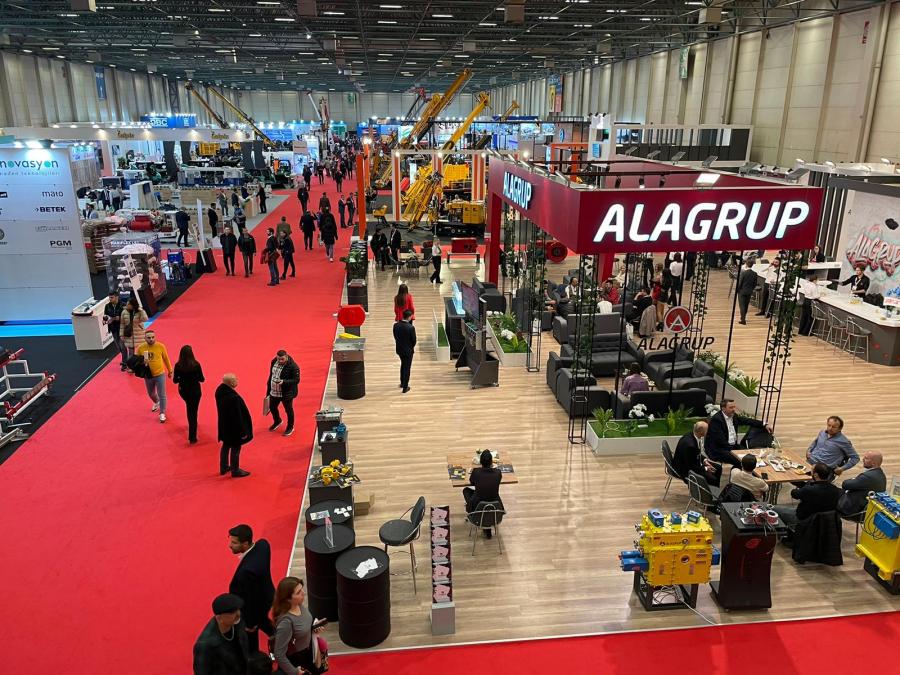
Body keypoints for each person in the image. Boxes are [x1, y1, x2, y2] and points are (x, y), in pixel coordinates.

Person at [228, 524, 275, 652]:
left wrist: (249, 623)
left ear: (245, 544)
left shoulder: (246, 573)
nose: (230, 545)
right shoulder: (263, 545)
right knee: (263, 621)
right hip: (267, 595)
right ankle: (277, 636)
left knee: (252, 632)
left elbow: (250, 600)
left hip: (255, 606)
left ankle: (254, 656)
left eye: (234, 543)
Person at [270, 577, 324, 675]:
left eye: (302, 589)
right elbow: (279, 654)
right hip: (298, 659)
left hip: (309, 650)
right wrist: (294, 672)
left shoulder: (298, 604)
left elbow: (303, 624)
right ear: (288, 599)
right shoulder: (286, 622)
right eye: (298, 592)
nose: (304, 593)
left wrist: (314, 627)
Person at [706, 399, 773, 469]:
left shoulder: (733, 416)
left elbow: (747, 421)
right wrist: (736, 452)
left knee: (751, 456)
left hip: (733, 446)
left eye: (734, 407)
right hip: (719, 449)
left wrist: (764, 424)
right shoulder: (716, 420)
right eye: (731, 407)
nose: (733, 409)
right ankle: (738, 474)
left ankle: (744, 473)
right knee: (742, 460)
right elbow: (720, 441)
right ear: (723, 409)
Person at [192, 593, 248, 675]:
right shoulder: (205, 645)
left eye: (238, 609)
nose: (238, 614)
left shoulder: (237, 623)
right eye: (232, 612)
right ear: (219, 618)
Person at [774, 463, 841, 530]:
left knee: (771, 508)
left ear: (816, 475)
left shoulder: (809, 489)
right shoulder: (835, 489)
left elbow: (794, 493)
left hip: (803, 520)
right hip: (823, 522)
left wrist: (806, 484)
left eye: (811, 471)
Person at [215, 373, 252, 478]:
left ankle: (224, 467)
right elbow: (238, 417)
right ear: (231, 383)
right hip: (234, 428)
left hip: (224, 425)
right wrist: (243, 432)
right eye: (235, 379)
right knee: (236, 447)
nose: (237, 381)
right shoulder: (234, 398)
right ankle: (235, 470)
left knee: (226, 445)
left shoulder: (219, 391)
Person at [463, 449, 503, 538]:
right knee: (489, 493)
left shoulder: (476, 472)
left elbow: (472, 482)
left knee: (466, 490)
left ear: (480, 461)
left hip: (477, 507)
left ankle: (470, 509)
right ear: (491, 462)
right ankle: (487, 528)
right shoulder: (498, 472)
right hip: (495, 508)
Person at [136, 330, 173, 424]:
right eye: (149, 338)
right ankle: (157, 402)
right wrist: (142, 362)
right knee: (151, 393)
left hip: (160, 374)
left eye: (153, 337)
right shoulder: (140, 348)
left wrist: (170, 370)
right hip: (148, 375)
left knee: (162, 394)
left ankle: (162, 413)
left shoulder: (161, 346)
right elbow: (136, 361)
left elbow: (166, 358)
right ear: (145, 338)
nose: (151, 339)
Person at [173, 345, 205, 444]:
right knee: (194, 410)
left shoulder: (178, 365)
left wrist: (182, 379)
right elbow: (202, 379)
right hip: (195, 391)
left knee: (190, 408)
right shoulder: (196, 365)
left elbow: (175, 380)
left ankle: (193, 424)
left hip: (184, 391)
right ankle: (192, 436)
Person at [838, 451, 886, 516]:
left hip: (854, 509)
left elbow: (845, 484)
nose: (863, 459)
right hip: (866, 506)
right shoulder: (880, 473)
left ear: (873, 463)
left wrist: (853, 480)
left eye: (866, 458)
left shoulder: (868, 476)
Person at [266, 350, 300, 436]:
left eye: (282, 359)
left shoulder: (293, 366)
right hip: (274, 391)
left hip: (286, 393)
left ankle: (290, 427)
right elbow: (271, 375)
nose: (280, 361)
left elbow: (296, 380)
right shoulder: (274, 361)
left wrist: (284, 382)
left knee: (288, 410)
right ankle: (277, 421)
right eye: (278, 359)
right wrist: (268, 386)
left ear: (286, 357)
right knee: (272, 407)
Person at [393, 309, 416, 394]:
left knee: (403, 365)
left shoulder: (396, 325)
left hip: (399, 349)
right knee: (407, 368)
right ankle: (405, 387)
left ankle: (402, 383)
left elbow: (395, 336)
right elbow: (414, 340)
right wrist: (410, 347)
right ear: (409, 317)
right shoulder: (411, 327)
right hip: (408, 351)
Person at [119, 297, 148, 366]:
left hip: (139, 333)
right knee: (131, 352)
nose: (127, 305)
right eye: (127, 303)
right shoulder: (124, 312)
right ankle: (130, 366)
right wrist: (121, 334)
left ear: (133, 305)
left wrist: (142, 311)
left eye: (128, 304)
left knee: (143, 350)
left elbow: (145, 319)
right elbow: (122, 324)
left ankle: (145, 364)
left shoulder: (139, 311)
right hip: (129, 334)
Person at [103, 291, 127, 371]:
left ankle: (124, 363)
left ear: (117, 297)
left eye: (112, 297)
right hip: (113, 328)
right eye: (109, 297)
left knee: (122, 346)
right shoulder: (107, 306)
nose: (110, 299)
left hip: (122, 328)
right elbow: (105, 315)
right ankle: (126, 359)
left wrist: (115, 318)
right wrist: (104, 320)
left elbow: (126, 317)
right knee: (118, 347)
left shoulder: (123, 305)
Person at [736, 258, 758, 324]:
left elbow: (740, 283)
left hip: (742, 291)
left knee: (742, 306)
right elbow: (755, 283)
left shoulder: (743, 273)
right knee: (746, 305)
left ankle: (743, 319)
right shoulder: (755, 273)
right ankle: (743, 317)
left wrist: (737, 290)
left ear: (746, 264)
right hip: (749, 291)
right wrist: (751, 289)